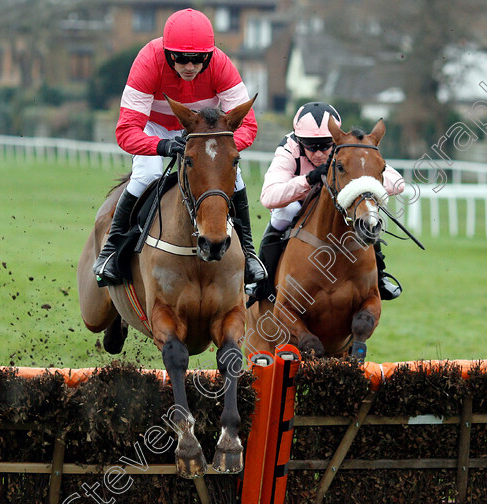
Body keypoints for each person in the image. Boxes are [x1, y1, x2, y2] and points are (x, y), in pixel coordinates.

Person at [93, 8, 266, 287]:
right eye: (181, 58)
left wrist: (219, 149)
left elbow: (248, 127)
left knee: (235, 177)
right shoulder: (148, 61)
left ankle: (249, 254)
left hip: (203, 133)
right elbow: (126, 132)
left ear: (209, 56)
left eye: (198, 60)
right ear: (167, 53)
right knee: (147, 174)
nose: (189, 66)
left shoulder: (221, 65)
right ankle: (111, 251)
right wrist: (162, 145)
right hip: (154, 128)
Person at [247, 101, 405, 301]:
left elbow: (397, 183)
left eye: (325, 146)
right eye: (311, 147)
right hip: (299, 204)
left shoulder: (348, 145)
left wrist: (360, 186)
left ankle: (379, 277)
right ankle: (262, 281)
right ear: (299, 140)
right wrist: (308, 180)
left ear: (335, 140)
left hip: (337, 205)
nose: (319, 153)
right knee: (282, 214)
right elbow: (268, 197)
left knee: (367, 215)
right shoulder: (289, 149)